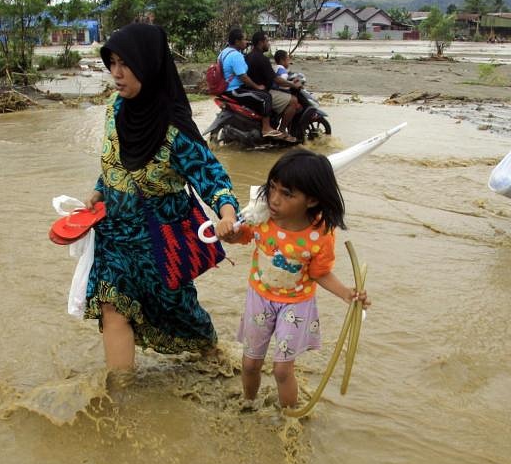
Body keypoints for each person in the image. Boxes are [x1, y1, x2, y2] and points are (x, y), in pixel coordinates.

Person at [82, 24, 239, 372]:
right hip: (115, 239)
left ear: (149, 64)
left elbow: (213, 178)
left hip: (159, 247)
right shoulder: (115, 109)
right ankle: (118, 397)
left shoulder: (174, 131)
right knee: (113, 306)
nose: (116, 73)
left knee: (184, 315)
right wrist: (98, 190)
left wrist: (227, 215)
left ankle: (215, 357)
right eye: (112, 62)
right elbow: (114, 160)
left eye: (126, 64)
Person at [223, 150, 371, 408]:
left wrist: (347, 294)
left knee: (282, 370)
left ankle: (288, 421)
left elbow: (319, 273)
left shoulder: (320, 234)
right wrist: (226, 231)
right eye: (272, 189)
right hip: (260, 299)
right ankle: (247, 405)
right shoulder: (262, 217)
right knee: (249, 363)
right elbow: (240, 236)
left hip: (296, 305)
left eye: (287, 194)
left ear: (312, 200)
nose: (274, 200)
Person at [217, 28, 295, 143]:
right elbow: (243, 76)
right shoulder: (237, 56)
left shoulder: (225, 52)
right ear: (237, 41)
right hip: (235, 90)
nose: (246, 42)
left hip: (226, 88)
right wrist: (256, 87)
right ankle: (266, 128)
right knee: (265, 97)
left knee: (263, 94)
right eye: (244, 39)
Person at [245, 31, 301, 135]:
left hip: (252, 92)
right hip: (263, 92)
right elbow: (276, 79)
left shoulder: (247, 57)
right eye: (267, 41)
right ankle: (282, 131)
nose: (268, 43)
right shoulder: (263, 59)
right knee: (293, 101)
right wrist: (293, 84)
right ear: (261, 42)